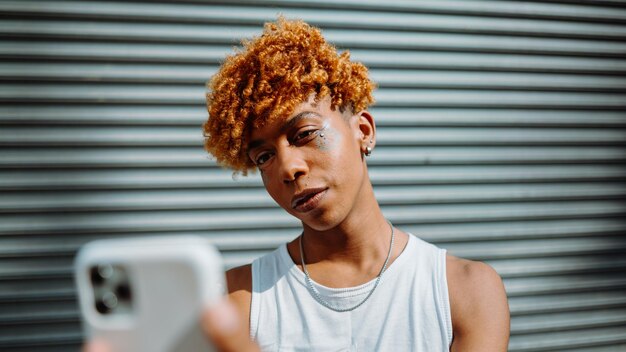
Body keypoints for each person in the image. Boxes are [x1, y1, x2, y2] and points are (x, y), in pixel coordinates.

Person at [86, 17, 509, 352]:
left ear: (364, 130)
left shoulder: (465, 291)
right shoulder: (238, 299)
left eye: (304, 134)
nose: (288, 168)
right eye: (263, 157)